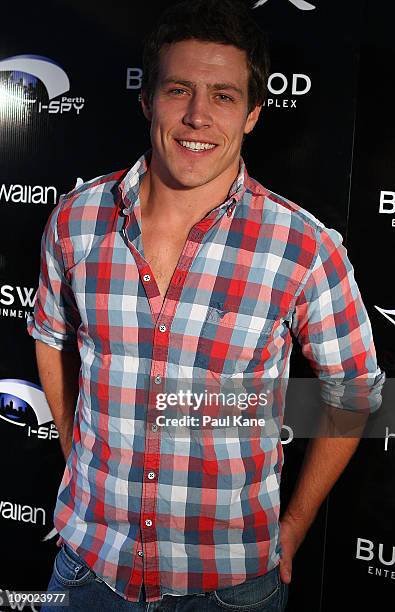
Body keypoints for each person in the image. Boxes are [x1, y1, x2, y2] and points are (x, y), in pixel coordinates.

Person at [28, 0, 384, 610]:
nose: (197, 116)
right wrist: (75, 458)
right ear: (147, 100)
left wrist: (294, 524)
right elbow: (49, 337)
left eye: (223, 96)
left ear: (252, 115)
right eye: (179, 89)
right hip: (88, 571)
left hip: (230, 588)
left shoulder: (303, 247)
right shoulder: (76, 220)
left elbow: (353, 392)